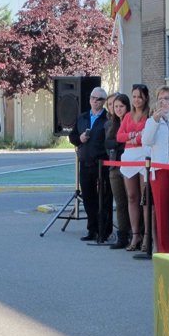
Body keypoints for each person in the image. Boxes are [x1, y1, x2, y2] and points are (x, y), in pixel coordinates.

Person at [142, 86, 169, 253]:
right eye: (160, 98)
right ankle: (164, 249)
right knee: (161, 209)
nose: (163, 101)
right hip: (159, 168)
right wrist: (154, 119)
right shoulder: (152, 121)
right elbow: (147, 140)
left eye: (167, 98)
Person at [68, 86, 113, 242]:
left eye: (99, 99)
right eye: (93, 98)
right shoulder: (83, 117)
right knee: (88, 198)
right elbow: (72, 137)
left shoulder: (108, 118)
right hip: (85, 162)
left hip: (102, 163)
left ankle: (104, 230)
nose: (95, 101)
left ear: (104, 101)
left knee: (104, 198)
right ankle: (92, 229)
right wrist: (79, 139)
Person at [117, 84, 151, 251]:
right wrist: (133, 136)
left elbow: (147, 137)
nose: (137, 100)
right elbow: (119, 136)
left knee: (145, 197)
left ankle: (146, 236)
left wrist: (134, 139)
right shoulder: (128, 116)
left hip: (145, 156)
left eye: (140, 96)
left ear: (145, 98)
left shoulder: (150, 115)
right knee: (131, 196)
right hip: (129, 157)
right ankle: (135, 234)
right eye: (134, 96)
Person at [105, 93, 131, 249]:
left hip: (131, 165)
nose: (119, 109)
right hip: (115, 166)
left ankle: (137, 234)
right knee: (120, 203)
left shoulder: (131, 121)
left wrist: (120, 141)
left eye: (121, 106)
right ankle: (122, 236)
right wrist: (122, 140)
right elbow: (108, 144)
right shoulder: (111, 124)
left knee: (133, 200)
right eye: (116, 107)